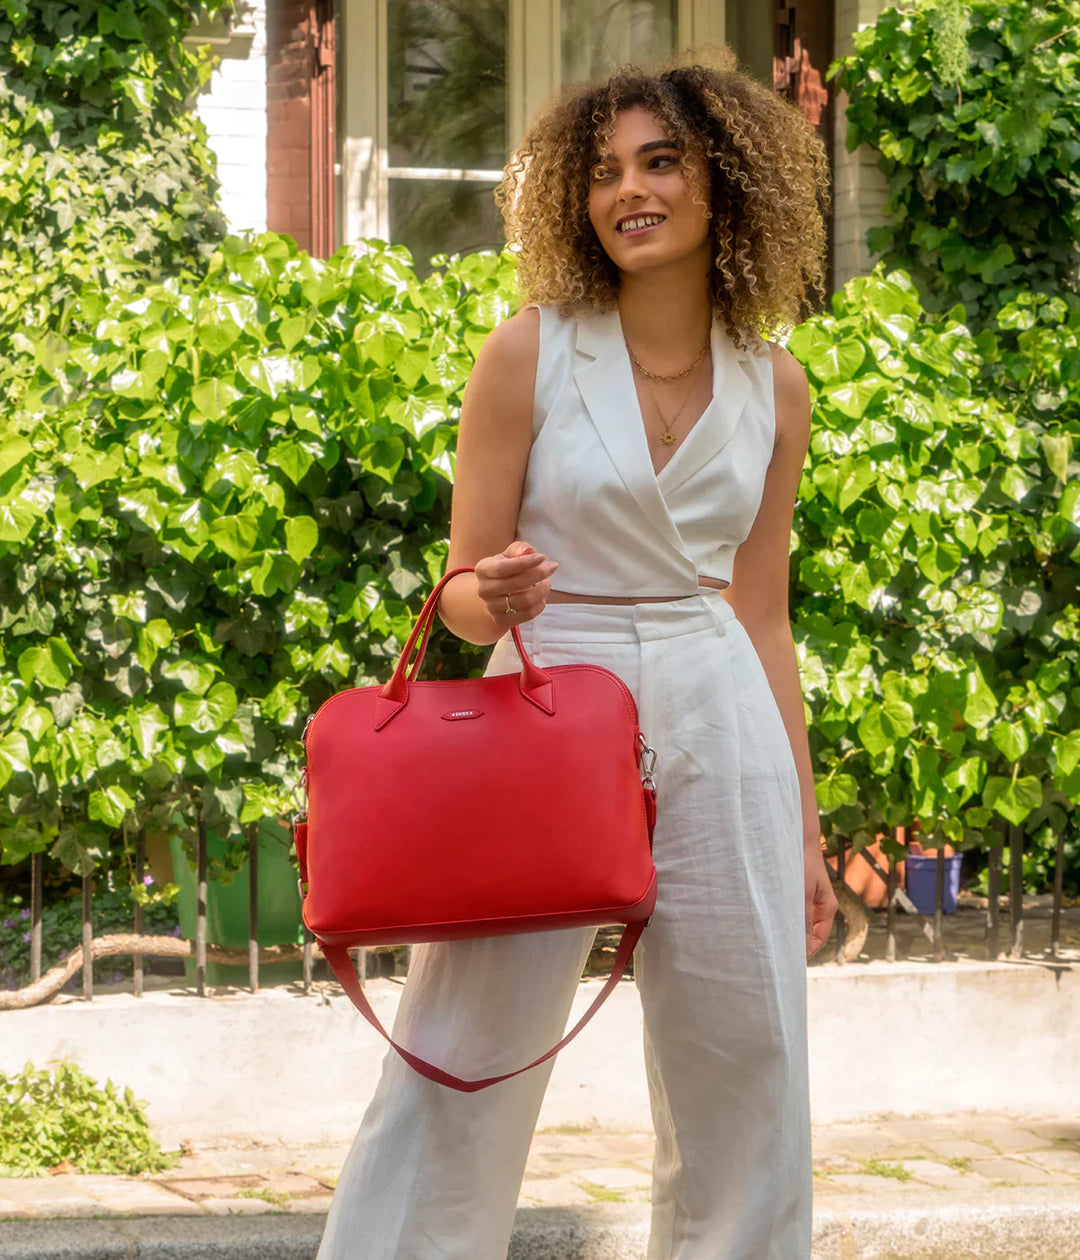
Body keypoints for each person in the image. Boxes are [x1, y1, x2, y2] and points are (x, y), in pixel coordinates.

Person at [317, 53, 838, 1260]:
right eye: (605, 172)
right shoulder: (528, 352)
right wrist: (485, 599)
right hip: (553, 695)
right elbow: (453, 595)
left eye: (662, 161)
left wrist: (802, 824)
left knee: (747, 1047)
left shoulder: (778, 385)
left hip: (719, 697)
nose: (629, 192)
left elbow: (763, 614)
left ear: (730, 181)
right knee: (468, 1039)